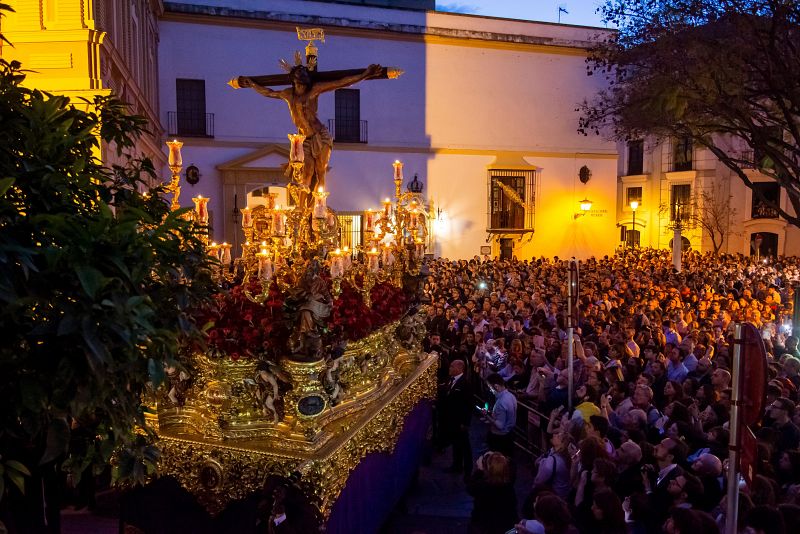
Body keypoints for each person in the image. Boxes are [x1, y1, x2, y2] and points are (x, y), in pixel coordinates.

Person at [236, 62, 383, 192]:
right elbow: (269, 92)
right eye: (299, 84)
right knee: (306, 172)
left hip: (321, 136)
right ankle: (304, 207)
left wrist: (364, 75)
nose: (301, 88)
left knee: (320, 171)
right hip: (303, 139)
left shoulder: (314, 91)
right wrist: (252, 84)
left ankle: (320, 203)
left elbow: (340, 82)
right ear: (294, 83)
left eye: (304, 84)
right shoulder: (288, 94)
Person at [466, 451, 517, 534]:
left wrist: (479, 470)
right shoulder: (508, 485)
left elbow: (470, 487)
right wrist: (499, 459)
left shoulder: (482, 487)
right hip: (506, 527)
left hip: (484, 527)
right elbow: (513, 467)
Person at [440, 360, 473, 475]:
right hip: (452, 419)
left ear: (459, 368)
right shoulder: (450, 380)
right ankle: (457, 465)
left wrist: (465, 423)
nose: (449, 368)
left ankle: (468, 467)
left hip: (460, 421)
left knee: (464, 444)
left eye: (451, 366)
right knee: (456, 443)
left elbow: (469, 405)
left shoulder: (465, 384)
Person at [482, 373, 517, 457]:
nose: (490, 390)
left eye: (490, 387)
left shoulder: (501, 402)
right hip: (509, 434)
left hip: (499, 438)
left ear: (496, 386)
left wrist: (486, 416)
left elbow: (500, 425)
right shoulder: (511, 396)